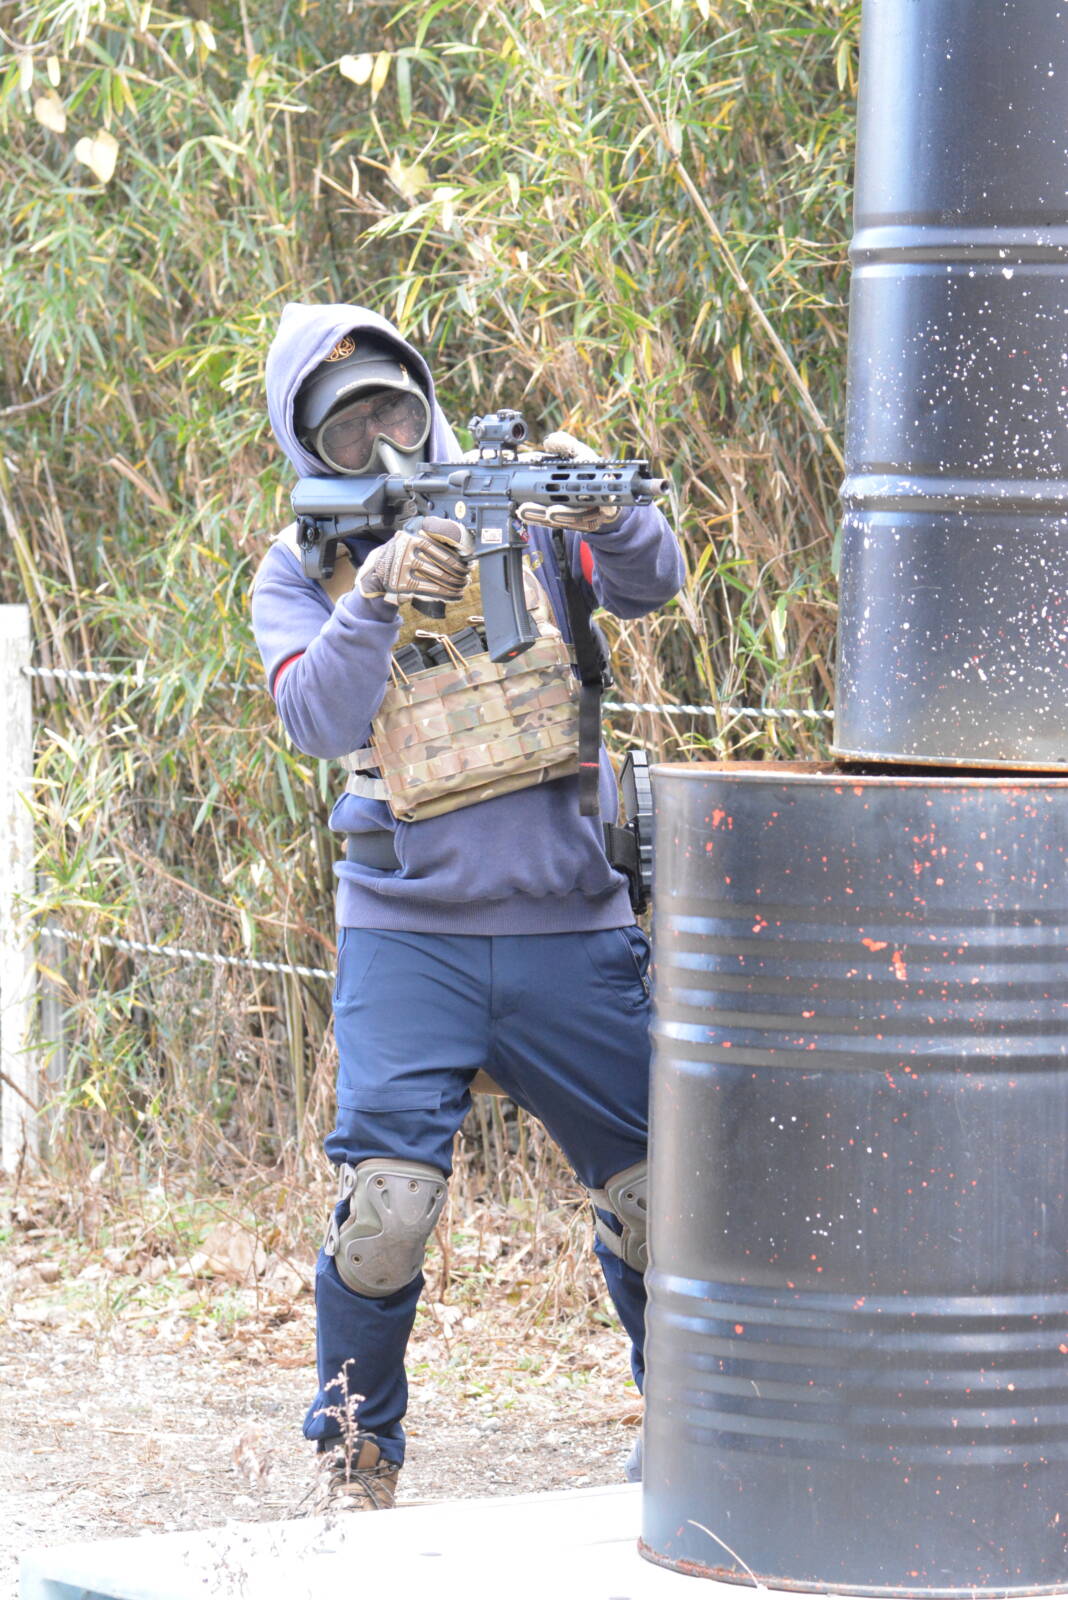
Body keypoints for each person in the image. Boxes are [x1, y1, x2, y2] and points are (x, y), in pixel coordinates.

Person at [251, 301, 684, 1509]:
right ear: (309, 448)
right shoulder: (304, 564)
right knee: (385, 1213)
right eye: (348, 432)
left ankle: (692, 1434)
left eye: (394, 412)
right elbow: (316, 719)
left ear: (427, 401)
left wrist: (609, 513)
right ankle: (356, 1453)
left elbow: (652, 582)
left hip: (572, 917)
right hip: (408, 934)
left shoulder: (530, 512)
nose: (383, 444)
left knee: (663, 1198)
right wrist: (375, 594)